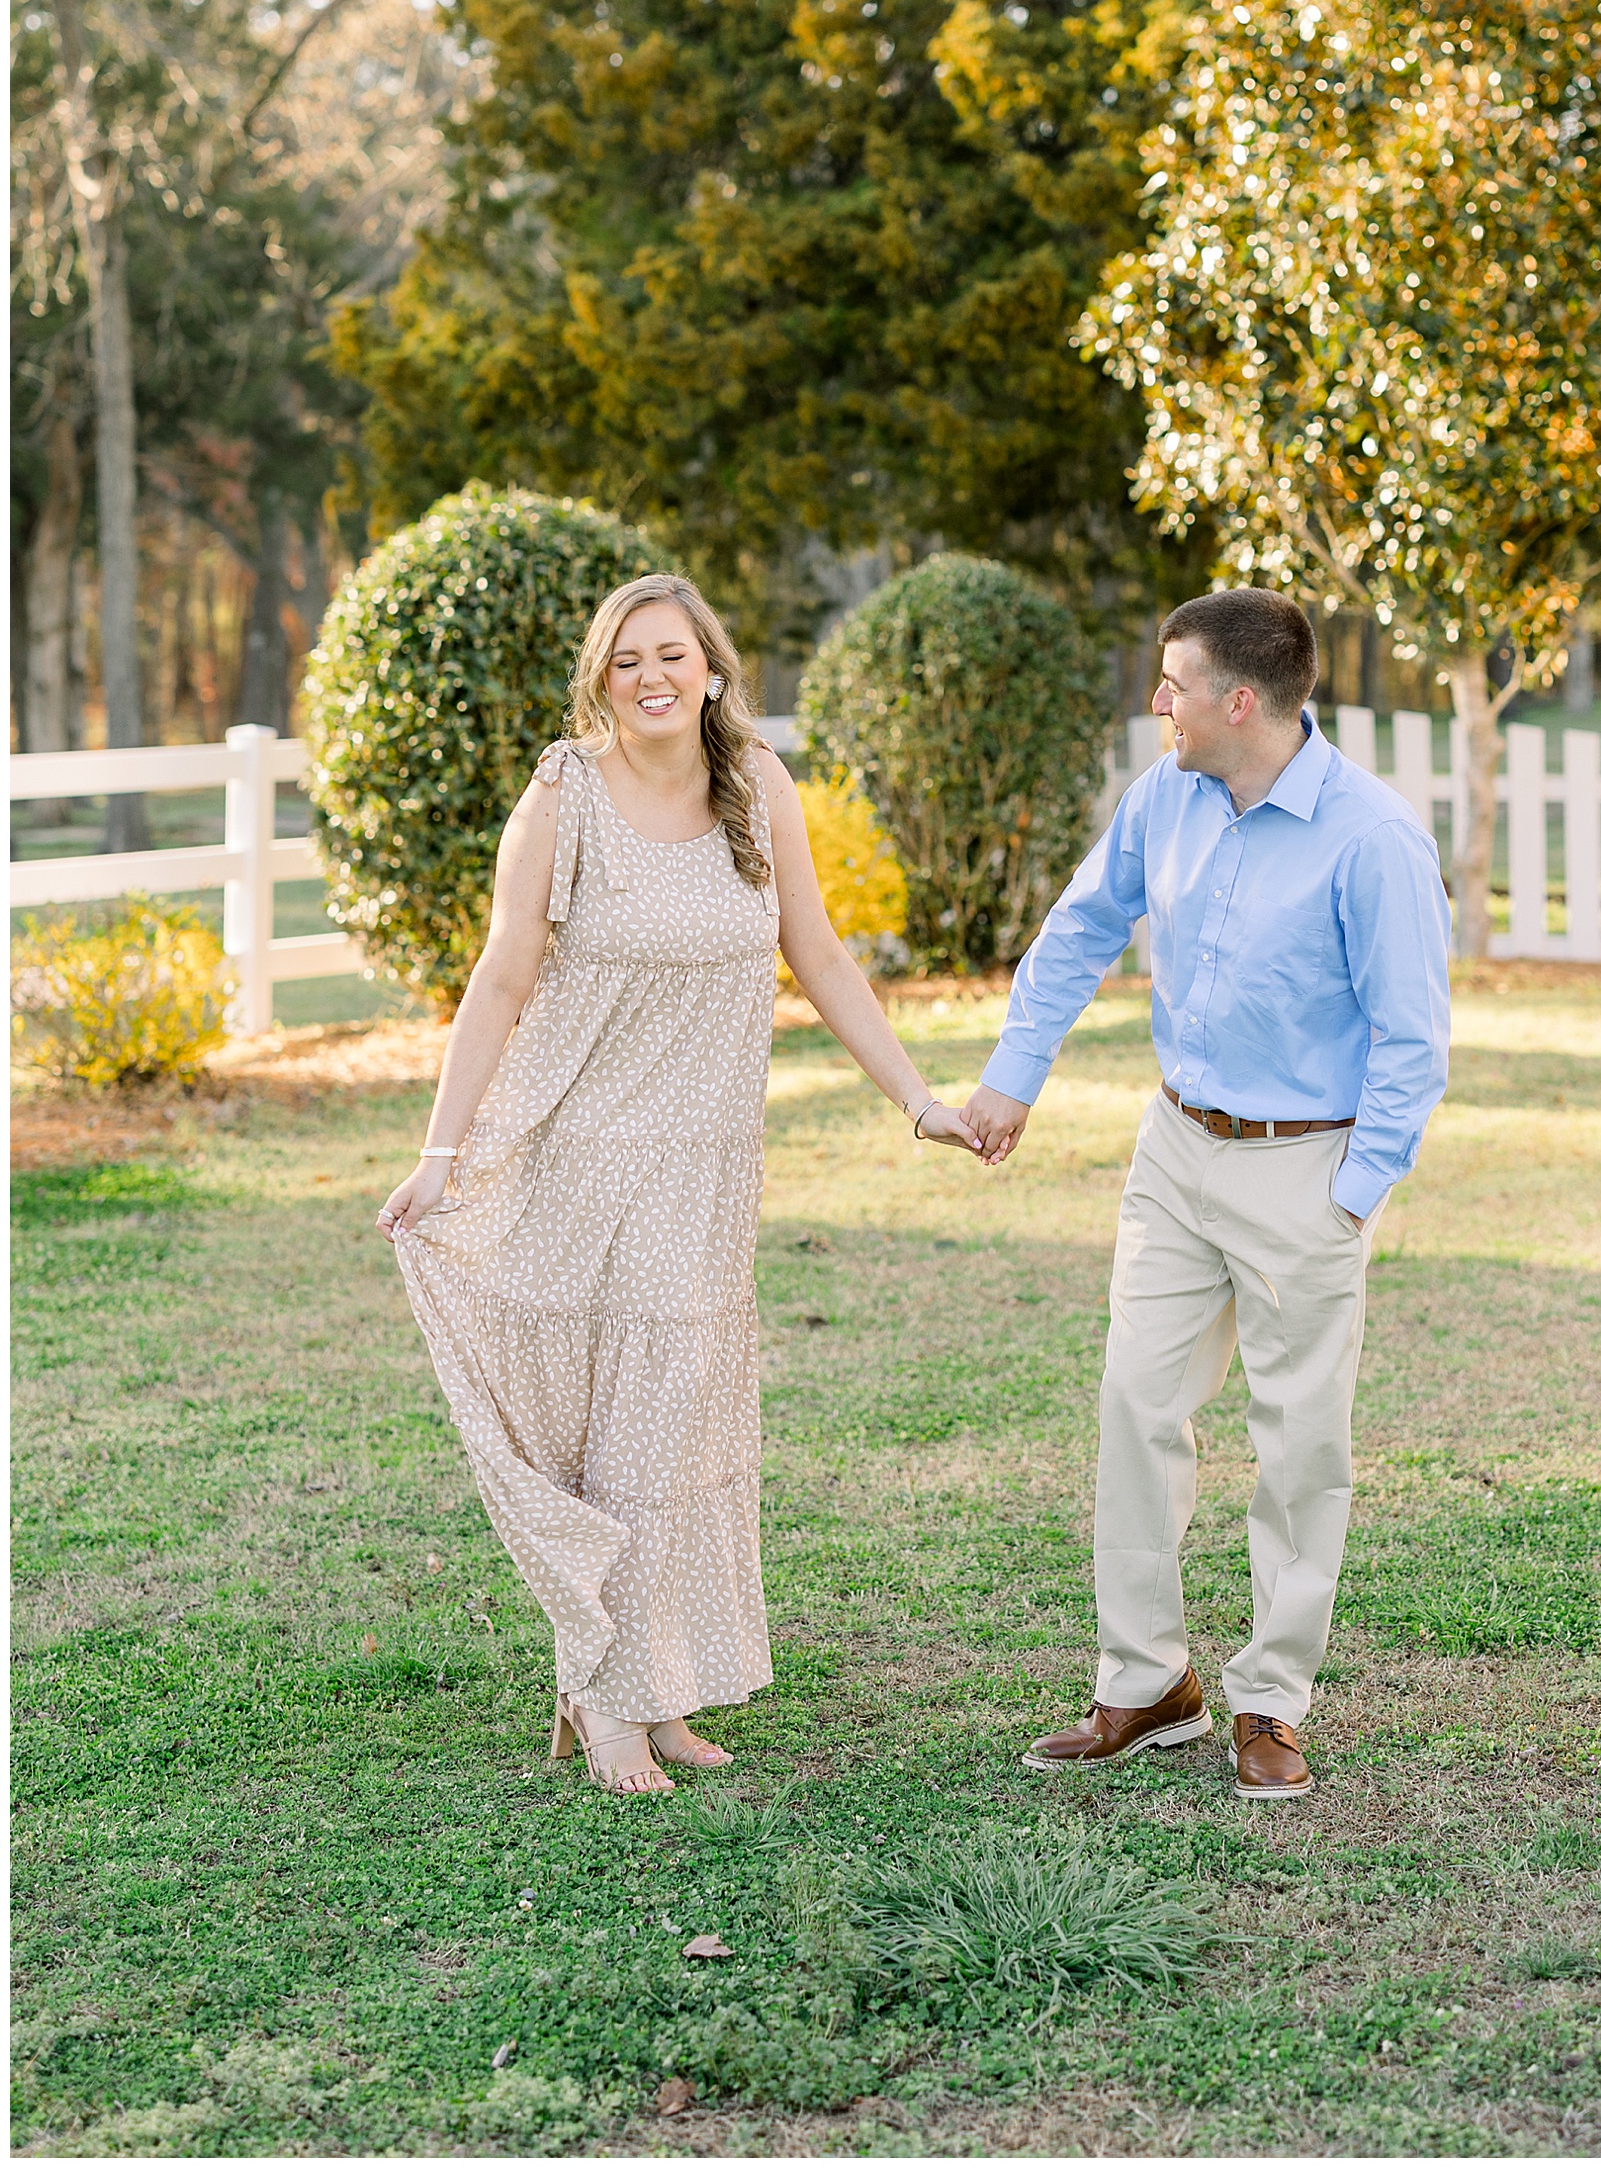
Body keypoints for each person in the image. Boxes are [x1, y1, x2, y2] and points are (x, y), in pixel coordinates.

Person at [376, 572, 978, 1794]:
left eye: (672, 655)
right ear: (602, 678)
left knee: (679, 1421)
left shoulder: (758, 784)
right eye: (625, 660)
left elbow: (816, 949)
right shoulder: (564, 796)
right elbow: (499, 978)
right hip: (580, 1145)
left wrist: (917, 1098)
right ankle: (608, 1698)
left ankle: (645, 1683)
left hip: (707, 1162)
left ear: (712, 667)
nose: (650, 678)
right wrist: (440, 1154)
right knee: (627, 1425)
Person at [961, 590, 1450, 1798]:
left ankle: (1271, 1699)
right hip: (1176, 1150)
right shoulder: (1164, 798)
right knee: (1136, 1402)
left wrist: (1353, 1192)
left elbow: (1413, 1038)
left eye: (1172, 682)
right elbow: (1080, 931)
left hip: (1308, 1164)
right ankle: (1145, 1681)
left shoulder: (1372, 837)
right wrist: (1013, 1078)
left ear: (1242, 701)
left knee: (1298, 1444)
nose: (1157, 702)